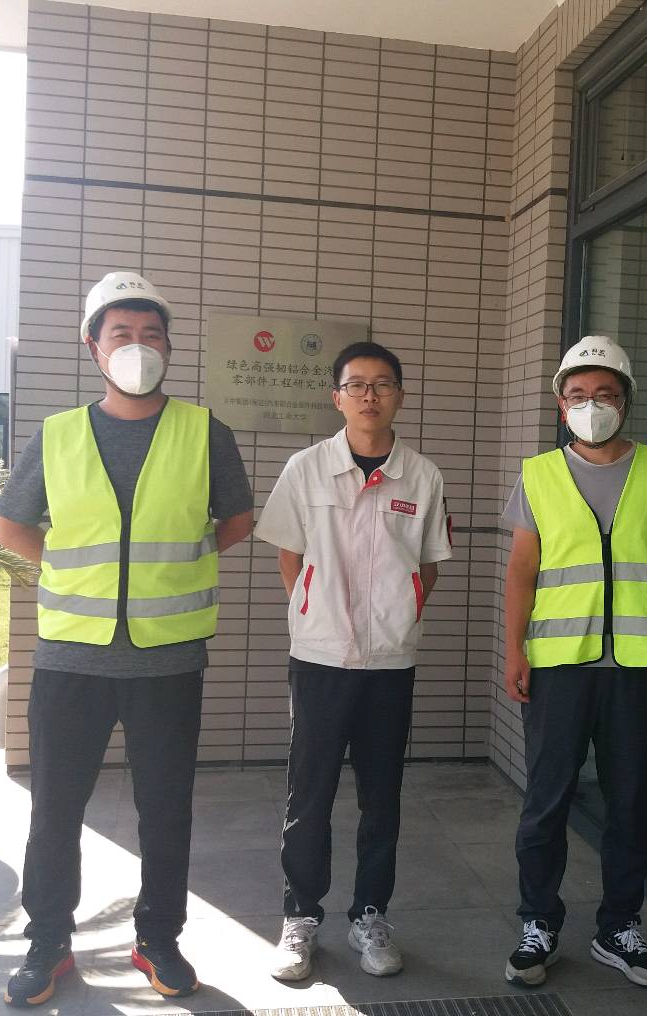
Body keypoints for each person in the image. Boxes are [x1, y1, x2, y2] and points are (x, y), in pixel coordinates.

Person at [0, 271, 254, 1007]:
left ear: (168, 345)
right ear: (93, 347)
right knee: (55, 808)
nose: (138, 346)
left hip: (168, 657)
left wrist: (167, 570)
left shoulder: (205, 432)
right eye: (121, 334)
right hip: (70, 656)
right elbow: (10, 526)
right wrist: (76, 570)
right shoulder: (58, 435)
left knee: (165, 811)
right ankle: (48, 942)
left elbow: (236, 520)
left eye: (151, 334)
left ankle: (158, 939)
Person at [255, 340, 452, 983]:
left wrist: (400, 612)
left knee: (381, 796)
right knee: (309, 793)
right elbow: (289, 554)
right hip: (320, 658)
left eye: (382, 384)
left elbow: (427, 564)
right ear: (336, 396)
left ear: (400, 395)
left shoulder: (422, 476)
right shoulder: (306, 469)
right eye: (357, 384)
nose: (370, 395)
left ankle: (370, 914)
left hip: (390, 662)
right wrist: (317, 612)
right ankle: (301, 916)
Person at [500, 335, 647, 989]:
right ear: (561, 405)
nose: (592, 405)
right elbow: (522, 569)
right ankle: (538, 922)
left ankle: (619, 927)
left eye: (605, 394)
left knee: (630, 803)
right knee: (546, 802)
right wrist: (514, 649)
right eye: (578, 395)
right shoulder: (539, 474)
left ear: (626, 401)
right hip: (558, 664)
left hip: (637, 664)